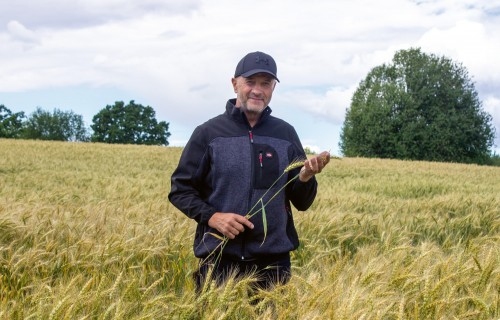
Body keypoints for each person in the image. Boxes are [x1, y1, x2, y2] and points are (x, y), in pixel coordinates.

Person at [168, 51, 330, 292]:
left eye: (266, 83)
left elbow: (302, 202)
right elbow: (180, 190)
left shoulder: (285, 135)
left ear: (273, 88)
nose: (258, 90)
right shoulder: (209, 133)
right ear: (235, 84)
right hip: (218, 260)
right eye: (250, 82)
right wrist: (213, 217)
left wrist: (305, 178)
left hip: (272, 266)